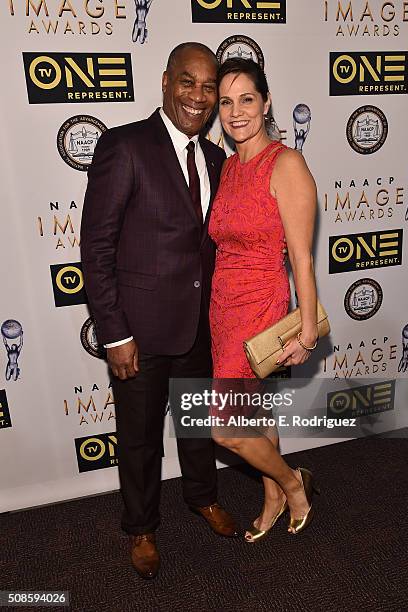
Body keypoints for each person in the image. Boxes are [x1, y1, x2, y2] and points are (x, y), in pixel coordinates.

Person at [80, 42, 238, 580]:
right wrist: (114, 332)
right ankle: (141, 527)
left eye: (209, 86)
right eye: (188, 82)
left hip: (198, 326)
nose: (199, 96)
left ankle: (203, 497)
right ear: (167, 81)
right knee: (141, 438)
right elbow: (97, 246)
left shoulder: (216, 158)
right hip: (139, 334)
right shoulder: (124, 146)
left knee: (196, 427)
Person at [209, 58, 320, 542]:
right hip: (222, 308)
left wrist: (308, 329)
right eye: (226, 102)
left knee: (225, 431)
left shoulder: (287, 163)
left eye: (247, 99)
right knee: (253, 416)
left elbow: (302, 258)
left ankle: (293, 484)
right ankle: (273, 493)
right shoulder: (230, 166)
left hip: (261, 307)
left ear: (266, 102)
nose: (236, 113)